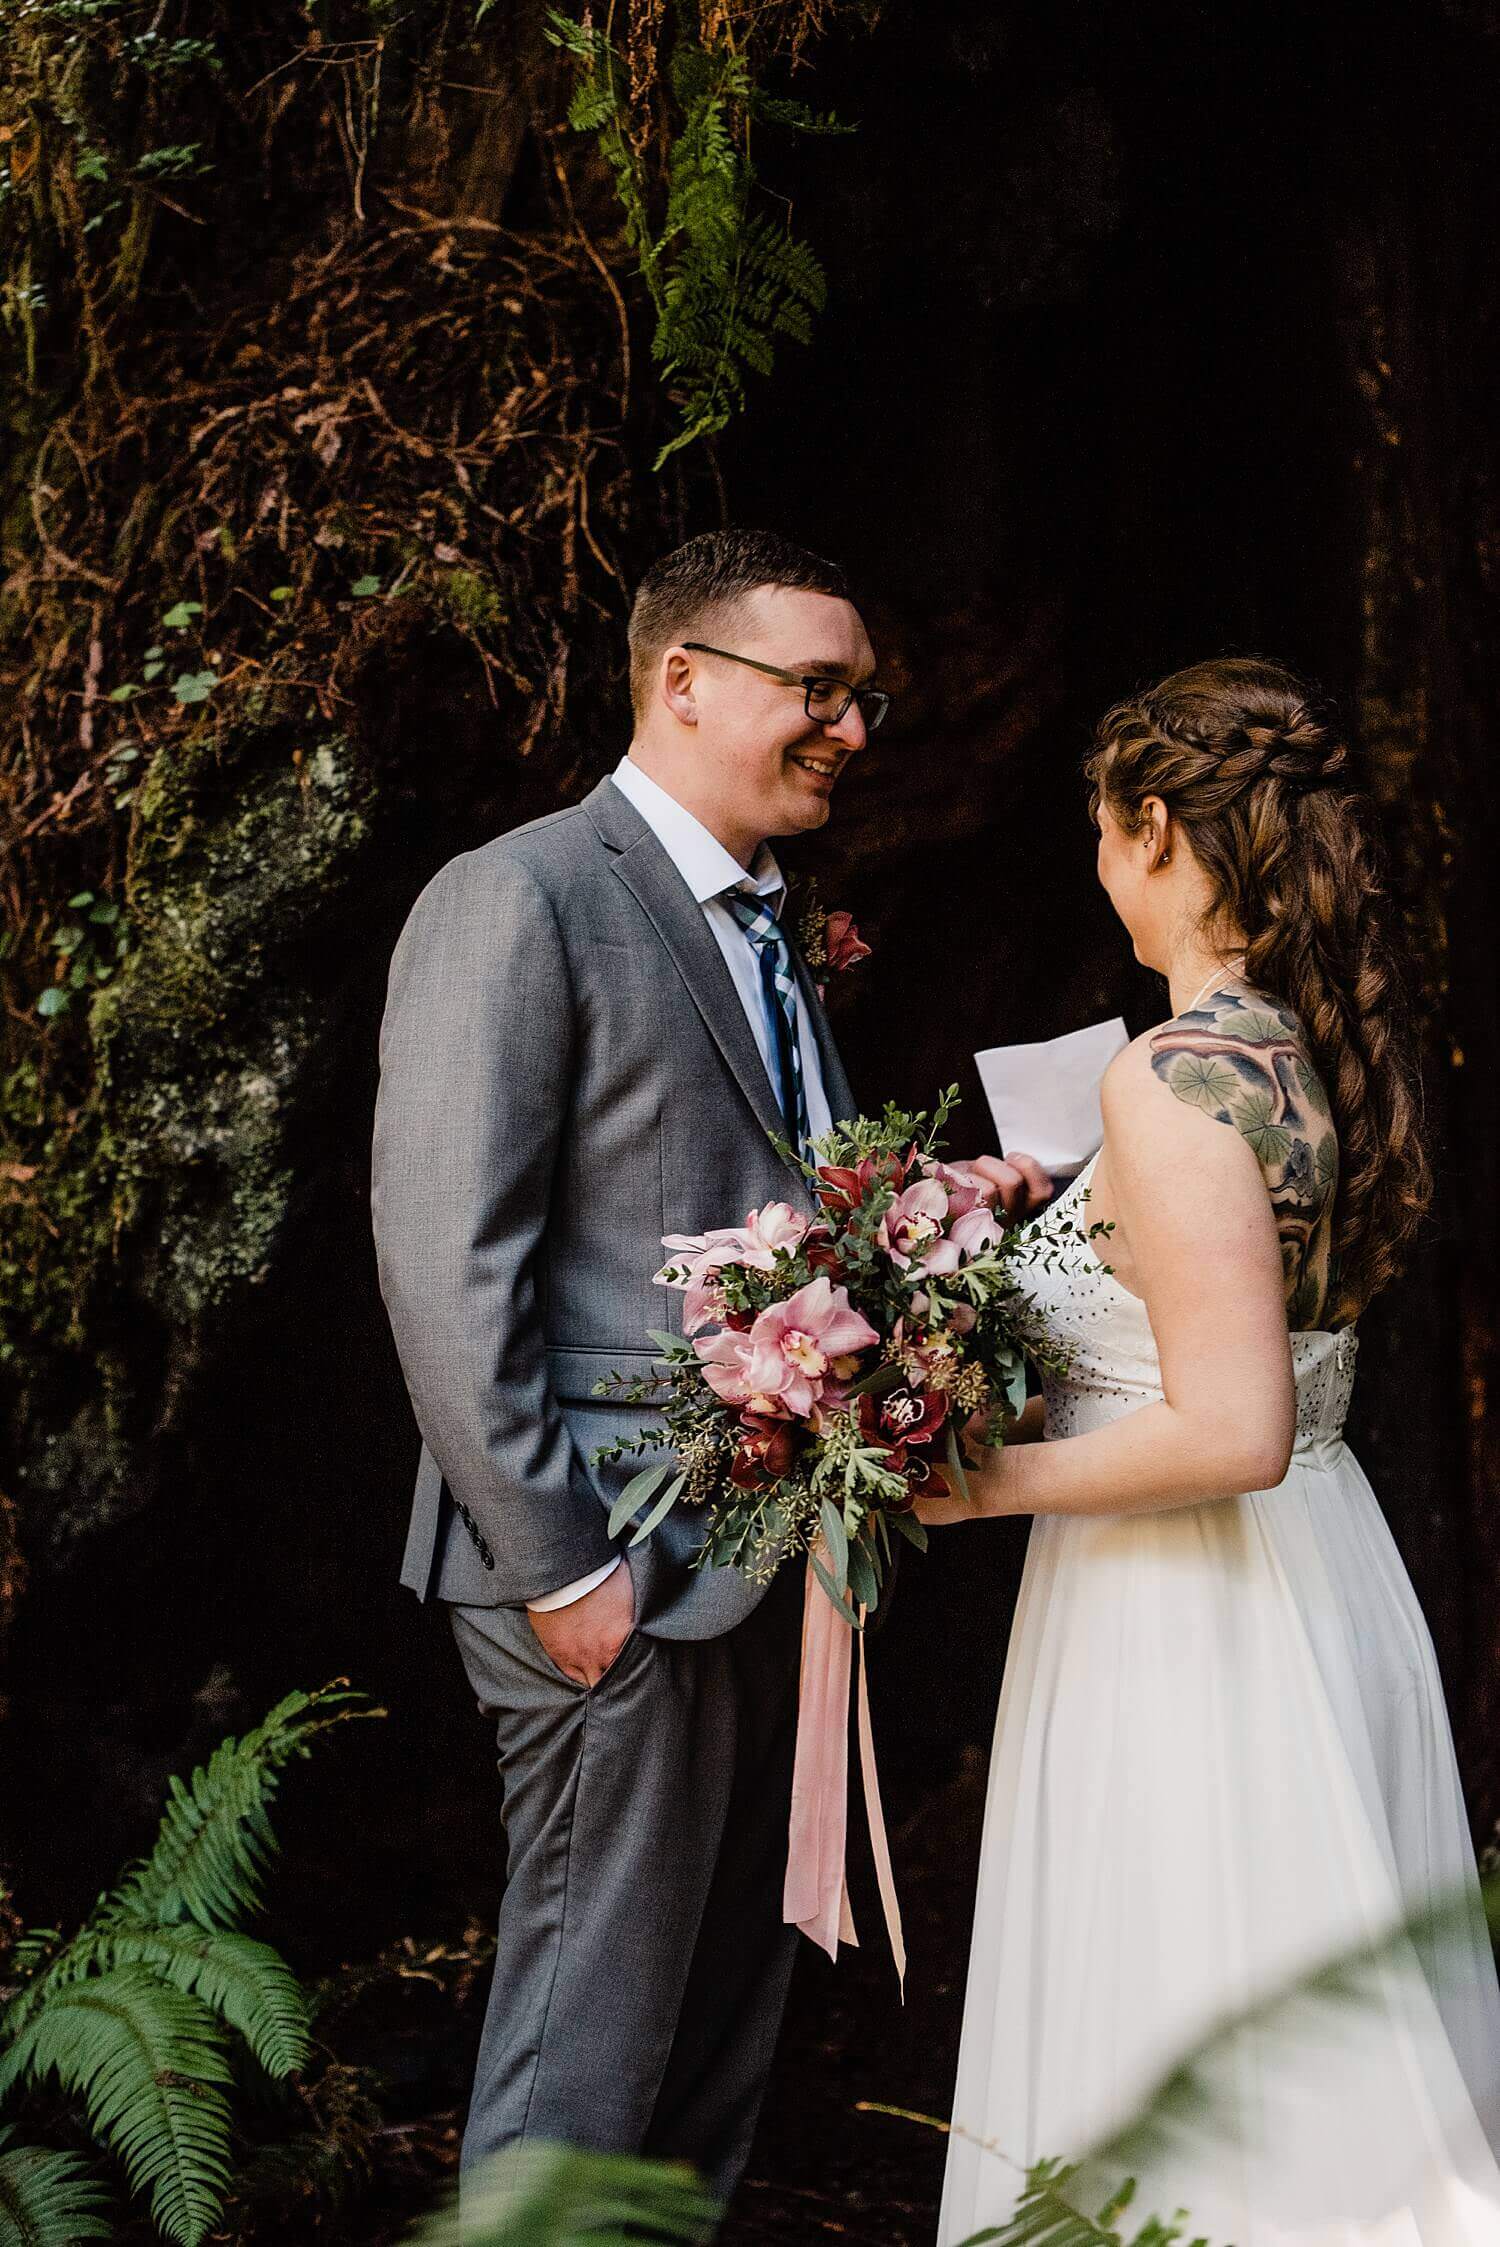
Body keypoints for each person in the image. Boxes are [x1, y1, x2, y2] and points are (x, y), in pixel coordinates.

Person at [371, 529, 1038, 2195]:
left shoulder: (776, 924)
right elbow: (450, 1261)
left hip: (767, 1554)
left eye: (863, 699)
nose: (853, 729)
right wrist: (561, 1562)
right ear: (681, 680)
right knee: (589, 2025)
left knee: (719, 2021)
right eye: (817, 688)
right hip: (608, 1554)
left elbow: (788, 1209)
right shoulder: (518, 897)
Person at [924, 658, 1500, 2243]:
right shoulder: (1299, 1052)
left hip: (1182, 1616)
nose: (1099, 868)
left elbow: (1232, 1428)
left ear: (1161, 830)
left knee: (1189, 2009)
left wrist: (980, 1483)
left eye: (1106, 833)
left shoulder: (1172, 1082)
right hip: (1316, 1579)